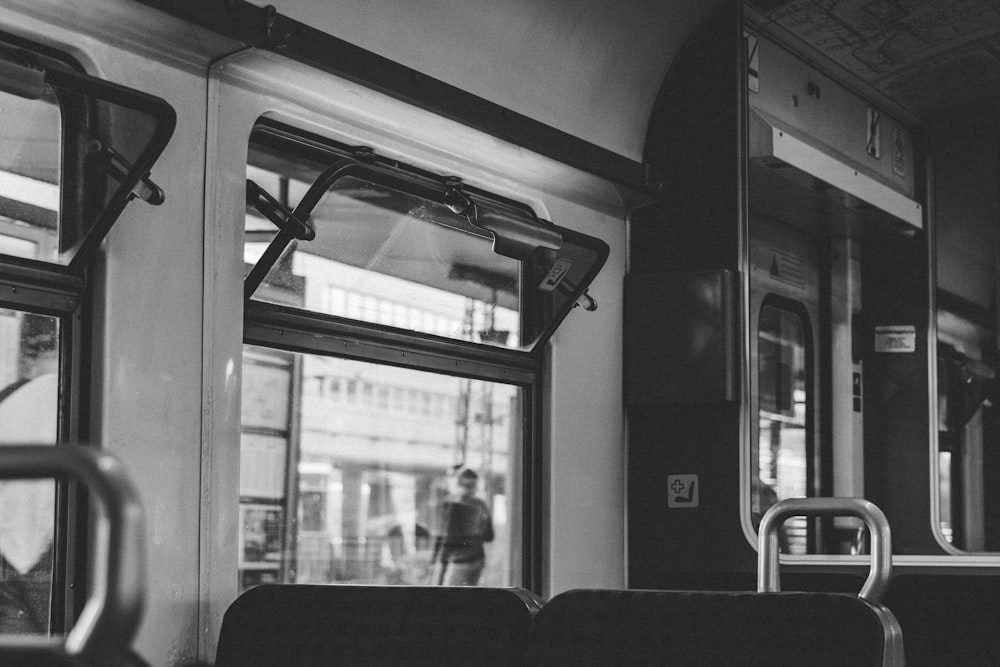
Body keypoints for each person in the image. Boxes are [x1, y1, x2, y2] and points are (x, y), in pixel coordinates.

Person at [431, 466, 493, 586]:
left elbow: (447, 539)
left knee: (450, 598)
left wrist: (439, 563)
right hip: (477, 558)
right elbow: (489, 536)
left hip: (458, 560)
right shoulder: (481, 505)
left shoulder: (452, 505)